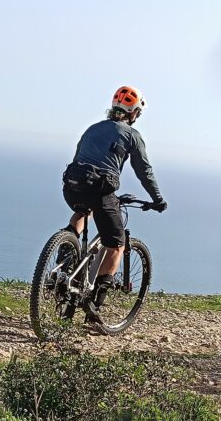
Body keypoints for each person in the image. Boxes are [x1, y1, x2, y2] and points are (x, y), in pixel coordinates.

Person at [61, 85, 167, 323]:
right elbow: (144, 171)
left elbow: (80, 155)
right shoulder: (132, 135)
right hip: (100, 189)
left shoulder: (93, 128)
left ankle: (65, 255)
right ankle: (94, 305)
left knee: (82, 210)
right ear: (134, 113)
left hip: (72, 184)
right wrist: (157, 199)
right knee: (116, 244)